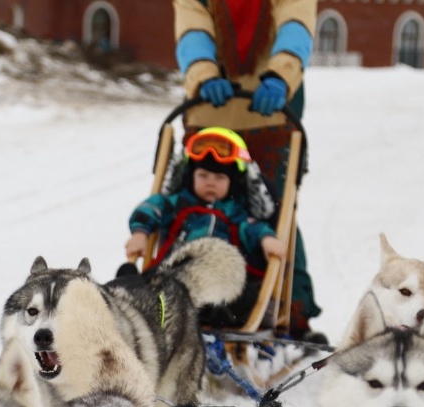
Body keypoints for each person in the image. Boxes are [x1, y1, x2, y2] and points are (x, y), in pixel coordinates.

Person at [173, 0, 324, 340]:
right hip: (210, 104)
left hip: (272, 105)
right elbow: (193, 25)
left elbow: (295, 20)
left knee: (272, 209)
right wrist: (203, 74)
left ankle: (290, 309)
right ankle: (175, 294)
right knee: (189, 204)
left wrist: (282, 75)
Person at [122, 127, 284, 328]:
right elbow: (152, 207)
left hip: (221, 278)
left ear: (232, 182)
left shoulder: (235, 213)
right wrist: (140, 233)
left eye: (219, 178)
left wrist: (266, 239)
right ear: (191, 176)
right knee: (155, 285)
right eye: (203, 175)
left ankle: (217, 314)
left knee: (248, 293)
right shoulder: (179, 203)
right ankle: (130, 291)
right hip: (177, 272)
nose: (211, 183)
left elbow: (254, 228)